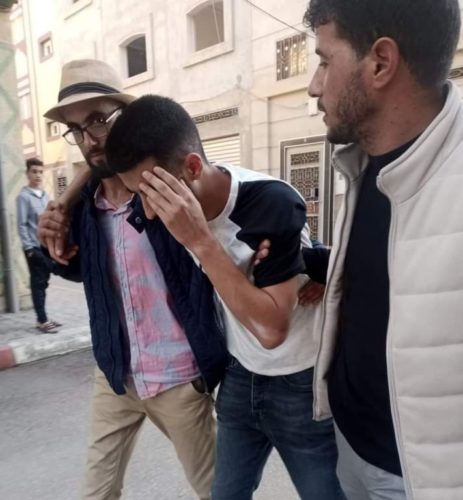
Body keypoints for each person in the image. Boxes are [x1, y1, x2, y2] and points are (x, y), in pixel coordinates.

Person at [105, 95, 345, 500]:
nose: (149, 211)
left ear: (192, 167)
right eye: (138, 194)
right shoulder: (169, 208)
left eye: (155, 191)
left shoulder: (269, 202)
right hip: (238, 375)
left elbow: (272, 330)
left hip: (298, 382)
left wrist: (201, 242)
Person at [39, 59, 227, 499]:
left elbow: (224, 223)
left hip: (177, 376)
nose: (88, 139)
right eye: (76, 129)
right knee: (96, 493)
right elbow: (82, 270)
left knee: (217, 491)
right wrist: (54, 246)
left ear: (127, 116)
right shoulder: (85, 206)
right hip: (116, 374)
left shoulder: (166, 187)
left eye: (98, 120)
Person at [303, 1, 463, 499]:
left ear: (380, 63)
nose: (313, 86)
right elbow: (392, 271)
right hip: (352, 444)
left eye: (324, 61)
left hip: (420, 478)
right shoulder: (364, 160)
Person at [16, 157, 61, 333]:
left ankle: (42, 317)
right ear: (27, 173)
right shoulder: (23, 197)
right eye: (34, 171)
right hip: (33, 248)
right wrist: (29, 249)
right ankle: (42, 320)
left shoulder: (44, 196)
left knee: (43, 282)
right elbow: (22, 225)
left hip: (45, 246)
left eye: (41, 172)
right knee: (38, 282)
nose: (38, 175)